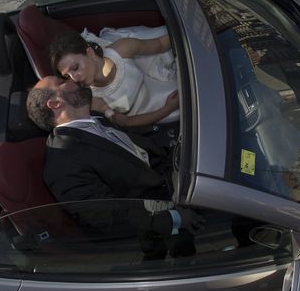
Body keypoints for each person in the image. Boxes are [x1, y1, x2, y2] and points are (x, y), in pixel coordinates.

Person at [26, 76, 204, 259]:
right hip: (170, 225)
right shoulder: (62, 161)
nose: (72, 79)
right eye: (62, 80)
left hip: (184, 182)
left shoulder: (97, 119)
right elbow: (107, 217)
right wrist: (175, 218)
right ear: (55, 103)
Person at [49, 29, 179, 127]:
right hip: (155, 111)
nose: (74, 78)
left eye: (75, 67)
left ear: (89, 53)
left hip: (153, 80)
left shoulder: (123, 49)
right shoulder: (94, 100)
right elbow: (127, 123)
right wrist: (167, 109)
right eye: (67, 76)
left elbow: (161, 44)